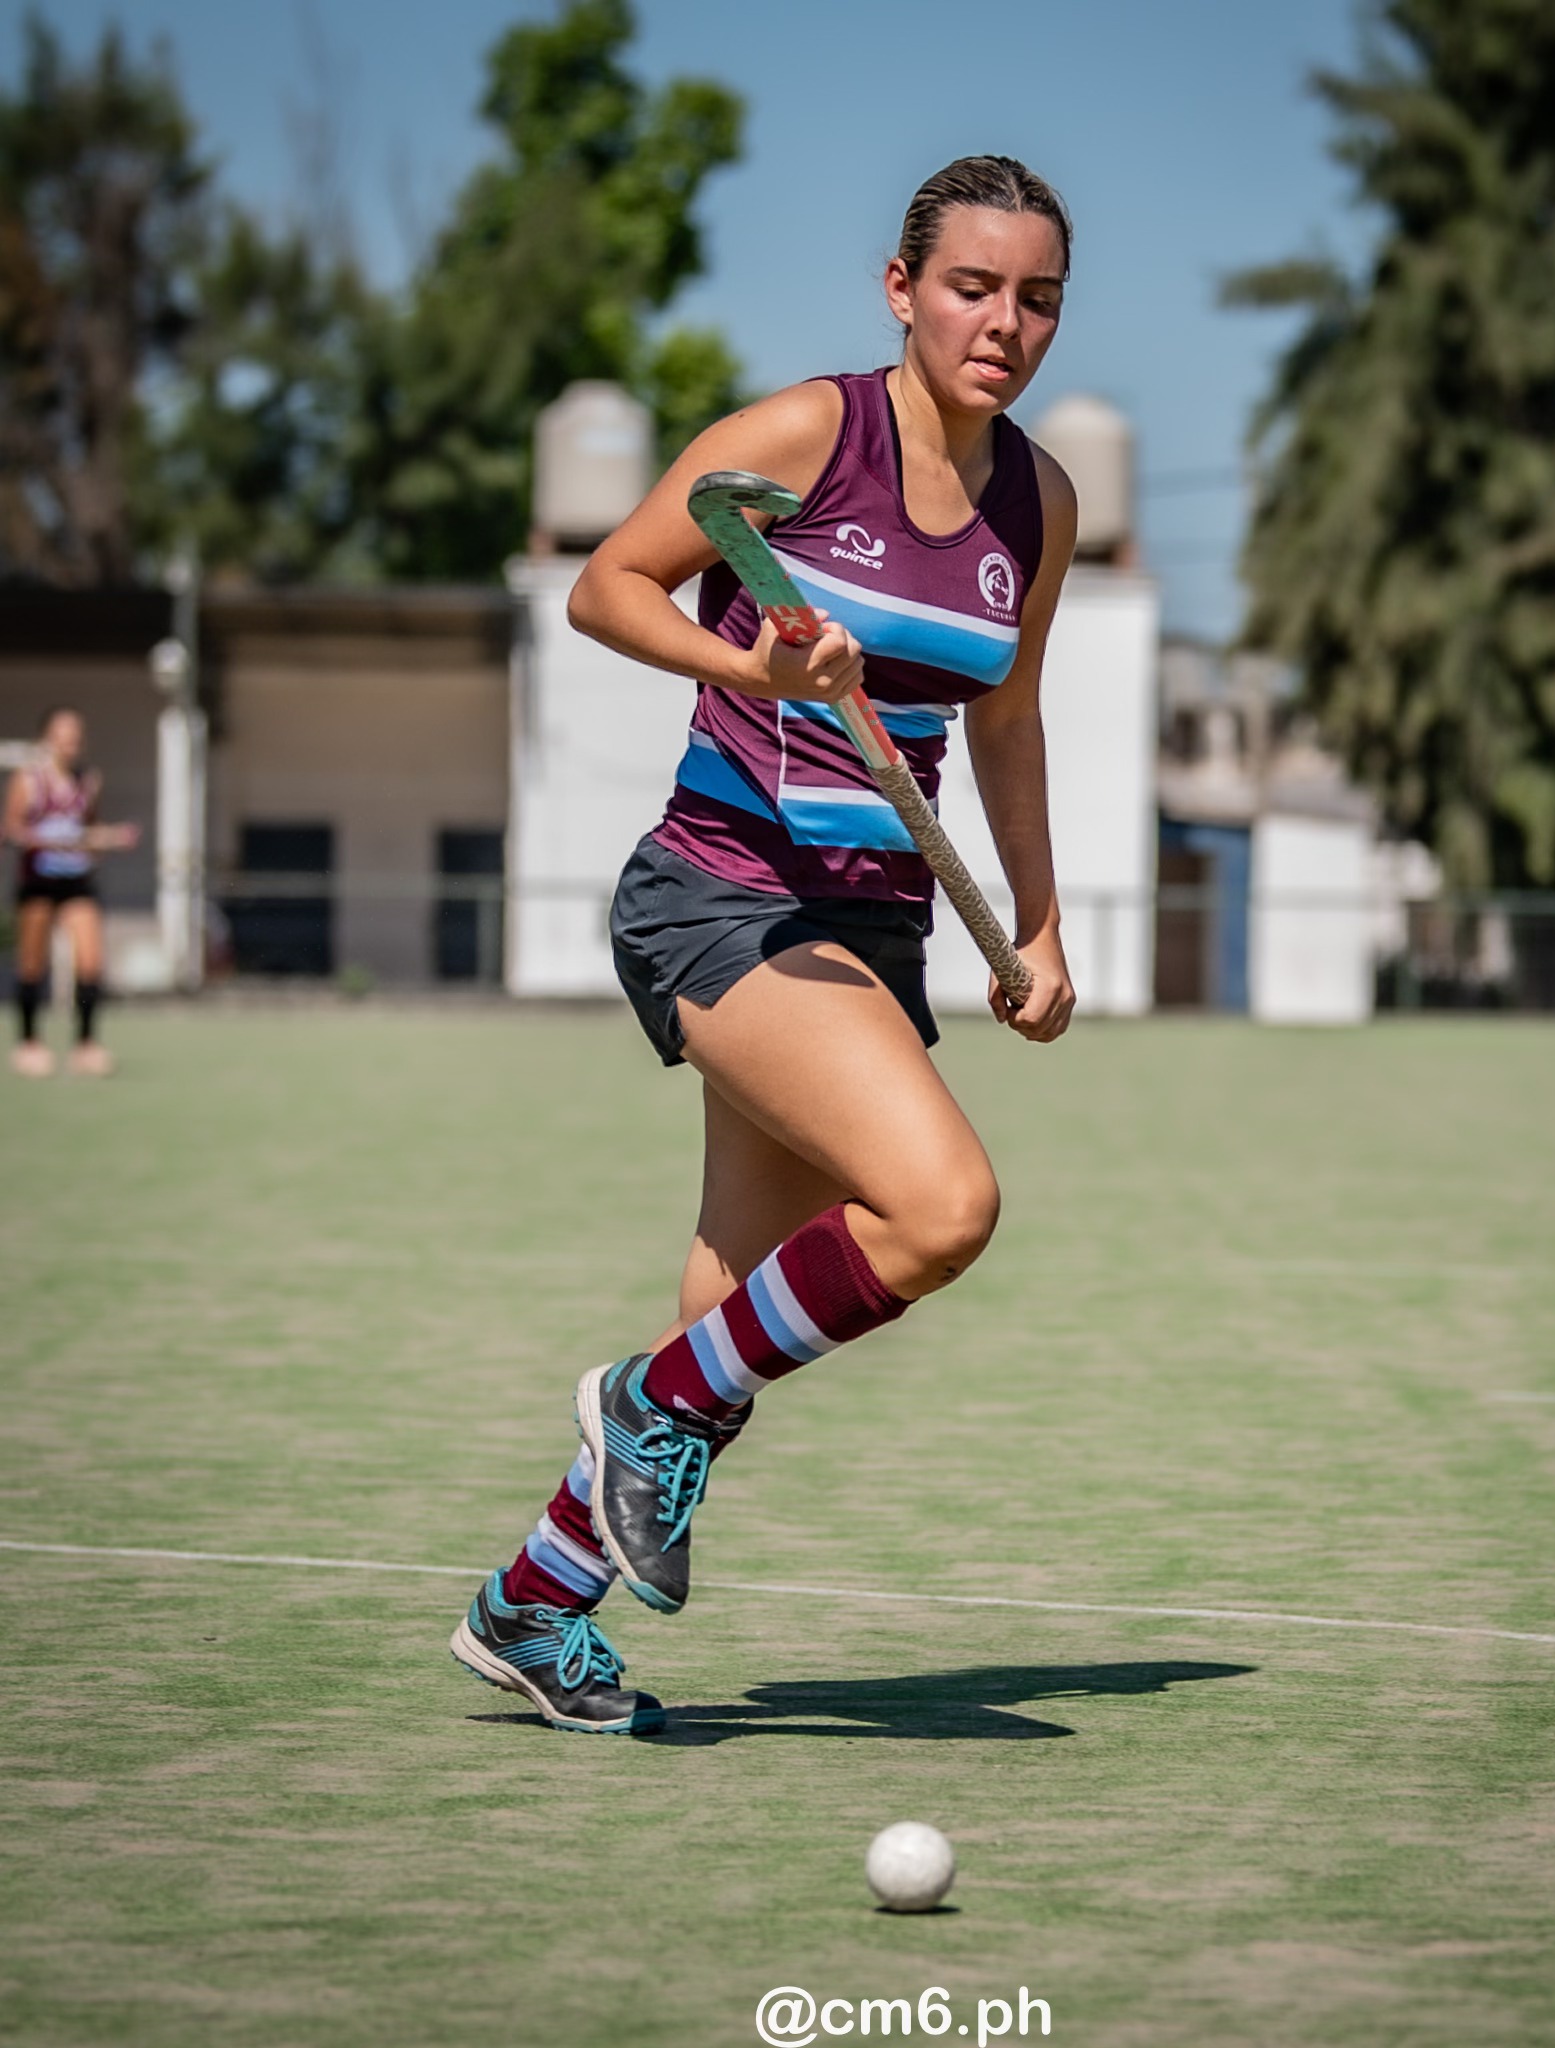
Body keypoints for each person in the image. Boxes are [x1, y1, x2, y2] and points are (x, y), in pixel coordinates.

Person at [450, 156, 1080, 1735]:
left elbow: (1004, 719)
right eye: (972, 286)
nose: (1004, 323)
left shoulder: (1038, 502)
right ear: (901, 288)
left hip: (873, 927)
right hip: (721, 895)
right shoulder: (812, 434)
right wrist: (758, 664)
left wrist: (1043, 923)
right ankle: (637, 1405)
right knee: (939, 1208)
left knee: (738, 1296)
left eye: (1037, 298)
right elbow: (610, 587)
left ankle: (533, 1605)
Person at [6, 708, 139, 1078]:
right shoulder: (29, 781)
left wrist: (111, 838)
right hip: (38, 885)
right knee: (33, 965)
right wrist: (48, 841)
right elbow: (13, 830)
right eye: (63, 736)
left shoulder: (88, 781)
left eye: (76, 737)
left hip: (77, 884)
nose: (70, 744)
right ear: (47, 739)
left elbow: (89, 831)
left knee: (91, 961)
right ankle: (30, 1041)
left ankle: (86, 1043)